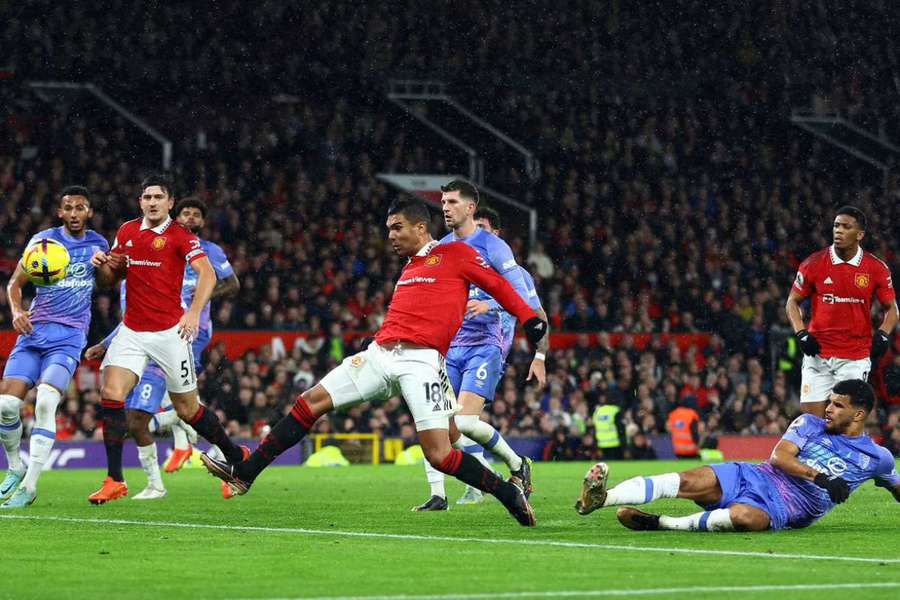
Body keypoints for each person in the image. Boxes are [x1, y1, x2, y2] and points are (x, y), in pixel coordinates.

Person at [200, 199, 548, 526]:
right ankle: (246, 472)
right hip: (379, 354)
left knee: (440, 455)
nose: (391, 236)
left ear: (421, 227)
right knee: (309, 403)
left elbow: (498, 286)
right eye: (389, 229)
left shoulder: (456, 254)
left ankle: (507, 491)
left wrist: (529, 319)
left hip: (421, 362)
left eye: (397, 228)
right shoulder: (411, 267)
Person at [87, 175, 246, 504]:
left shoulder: (180, 237)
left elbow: (208, 274)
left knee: (188, 409)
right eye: (147, 196)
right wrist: (101, 265)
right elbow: (108, 280)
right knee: (112, 394)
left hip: (170, 334)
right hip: (132, 331)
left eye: (159, 196)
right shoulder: (127, 232)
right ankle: (115, 479)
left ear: (170, 202)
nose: (152, 202)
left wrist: (193, 313)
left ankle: (235, 454)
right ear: (140, 201)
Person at [575, 379, 900, 532]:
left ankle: (662, 524)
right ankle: (602, 498)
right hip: (756, 476)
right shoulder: (809, 424)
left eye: (838, 405)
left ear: (859, 415)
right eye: (829, 401)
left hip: (784, 508)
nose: (828, 409)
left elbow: (895, 485)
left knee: (745, 518)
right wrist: (824, 478)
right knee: (688, 479)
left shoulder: (878, 458)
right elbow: (780, 458)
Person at [413, 181, 539, 512]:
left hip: (486, 344)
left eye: (452, 201)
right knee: (435, 422)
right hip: (450, 346)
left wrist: (491, 306)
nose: (445, 207)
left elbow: (523, 300)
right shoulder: (442, 247)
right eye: (443, 201)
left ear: (470, 207)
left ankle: (517, 464)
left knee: (465, 423)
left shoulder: (495, 248)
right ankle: (438, 495)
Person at [0, 187, 110, 508]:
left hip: (69, 337)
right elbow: (14, 284)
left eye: (81, 208)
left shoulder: (98, 243)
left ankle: (30, 486)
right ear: (60, 212)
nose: (74, 213)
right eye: (68, 208)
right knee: (6, 407)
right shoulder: (42, 242)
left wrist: (102, 265)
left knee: (47, 401)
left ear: (89, 212)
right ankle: (15, 467)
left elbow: (106, 283)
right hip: (34, 333)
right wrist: (18, 311)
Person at [785, 206, 897, 418]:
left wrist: (883, 333)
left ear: (860, 234)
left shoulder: (876, 268)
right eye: (836, 225)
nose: (839, 231)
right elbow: (792, 301)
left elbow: (892, 309)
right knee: (812, 422)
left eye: (846, 227)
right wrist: (801, 333)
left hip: (854, 356)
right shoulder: (813, 264)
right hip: (817, 353)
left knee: (844, 421)